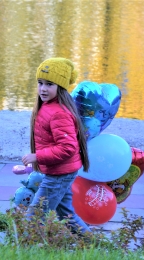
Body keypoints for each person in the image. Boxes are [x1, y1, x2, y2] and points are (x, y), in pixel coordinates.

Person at [21, 57, 91, 234]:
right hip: (59, 170)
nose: (43, 89)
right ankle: (95, 245)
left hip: (60, 173)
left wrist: (38, 156)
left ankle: (26, 249)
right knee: (66, 214)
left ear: (60, 86)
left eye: (49, 84)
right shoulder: (47, 106)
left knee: (35, 216)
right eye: (40, 83)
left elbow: (68, 148)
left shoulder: (59, 113)